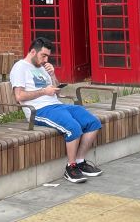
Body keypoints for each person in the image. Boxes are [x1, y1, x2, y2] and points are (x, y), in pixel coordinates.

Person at [9, 37, 103, 184]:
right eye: (43, 56)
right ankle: (70, 168)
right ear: (33, 51)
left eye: (47, 56)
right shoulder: (20, 67)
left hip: (57, 105)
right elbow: (19, 96)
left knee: (93, 122)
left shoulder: (43, 67)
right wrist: (43, 92)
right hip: (39, 110)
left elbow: (56, 91)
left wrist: (53, 75)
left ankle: (80, 161)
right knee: (73, 128)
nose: (45, 60)